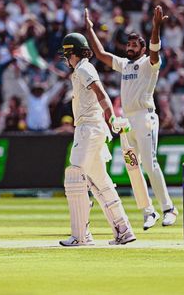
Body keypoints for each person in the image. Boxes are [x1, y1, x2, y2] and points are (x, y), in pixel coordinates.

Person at [85, 5, 178, 230]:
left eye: (134, 45)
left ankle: (168, 208)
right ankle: (148, 211)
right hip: (127, 121)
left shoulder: (149, 64)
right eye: (128, 44)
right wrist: (89, 29)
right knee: (133, 167)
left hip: (145, 118)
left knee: (150, 162)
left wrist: (156, 27)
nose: (129, 47)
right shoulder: (125, 65)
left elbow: (155, 50)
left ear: (143, 48)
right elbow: (100, 55)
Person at [58, 32, 136, 246]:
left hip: (89, 129)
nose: (66, 60)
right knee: (99, 181)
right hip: (93, 129)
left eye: (67, 55)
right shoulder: (81, 70)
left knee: (75, 177)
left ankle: (80, 237)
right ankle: (123, 230)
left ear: (71, 52)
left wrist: (111, 117)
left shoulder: (83, 68)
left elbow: (101, 93)